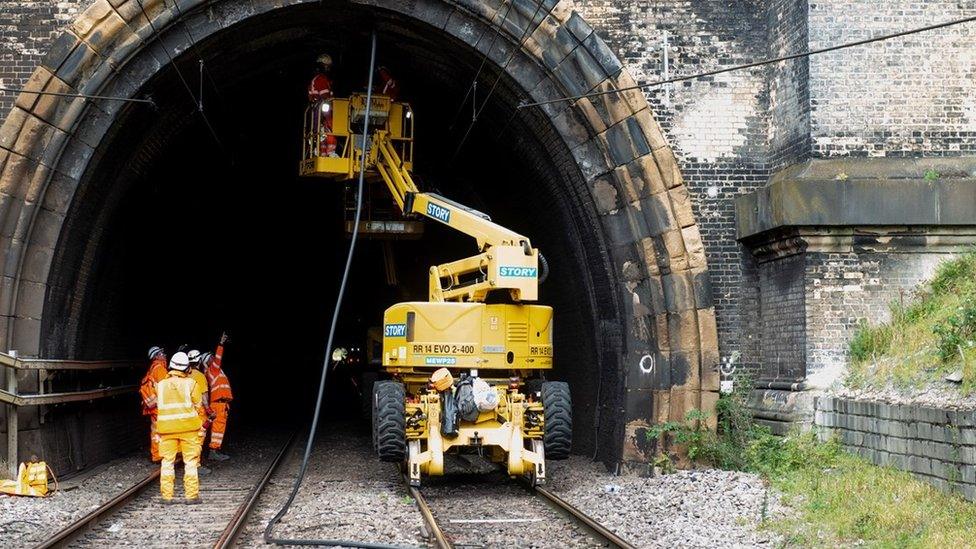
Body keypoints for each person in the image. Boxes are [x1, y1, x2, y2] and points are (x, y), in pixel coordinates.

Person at [156, 351, 207, 504]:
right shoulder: (192, 384)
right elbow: (199, 406)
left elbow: (158, 405)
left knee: (167, 462)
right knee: (190, 462)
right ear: (186, 369)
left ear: (171, 366)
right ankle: (191, 496)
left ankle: (166, 497)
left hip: (166, 430)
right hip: (189, 429)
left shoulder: (160, 385)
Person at [200, 332, 233, 461]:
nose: (214, 358)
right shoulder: (212, 370)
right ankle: (213, 451)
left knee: (217, 428)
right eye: (211, 357)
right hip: (218, 404)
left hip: (221, 404)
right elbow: (219, 358)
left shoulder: (215, 371)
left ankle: (213, 450)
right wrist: (221, 344)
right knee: (218, 429)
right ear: (207, 361)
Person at [139, 346, 169, 462]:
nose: (164, 354)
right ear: (157, 356)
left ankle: (157, 454)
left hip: (154, 406)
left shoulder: (152, 368)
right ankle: (158, 455)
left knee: (156, 431)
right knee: (160, 431)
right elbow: (165, 388)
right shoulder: (159, 369)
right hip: (159, 406)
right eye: (162, 353)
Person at [308, 53, 337, 157]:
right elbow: (325, 95)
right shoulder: (321, 79)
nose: (328, 68)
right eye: (326, 66)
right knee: (330, 129)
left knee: (323, 132)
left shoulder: (319, 79)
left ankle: (322, 152)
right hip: (322, 109)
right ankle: (328, 152)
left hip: (319, 110)